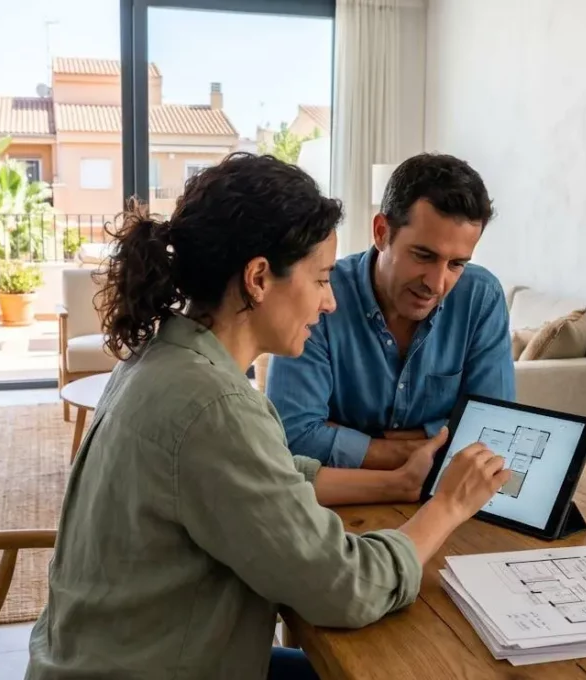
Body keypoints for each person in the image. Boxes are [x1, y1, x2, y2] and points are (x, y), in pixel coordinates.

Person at [26, 153, 511, 680]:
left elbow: (270, 475)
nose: (329, 303)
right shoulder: (215, 408)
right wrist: (446, 505)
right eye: (322, 279)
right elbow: (346, 590)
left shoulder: (167, 358)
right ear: (259, 278)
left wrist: (394, 481)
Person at [267, 153, 516, 471]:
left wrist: (362, 441)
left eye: (456, 264)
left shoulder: (481, 297)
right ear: (382, 232)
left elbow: (496, 428)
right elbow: (294, 437)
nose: (437, 284)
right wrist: (422, 449)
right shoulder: (320, 296)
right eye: (423, 255)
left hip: (442, 498)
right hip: (339, 503)